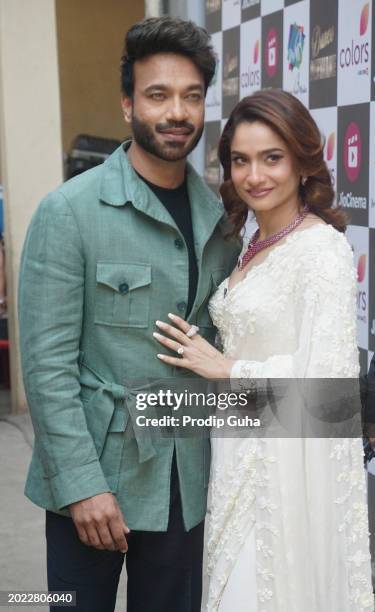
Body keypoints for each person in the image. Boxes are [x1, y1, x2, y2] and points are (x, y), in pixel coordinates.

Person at [18, 17, 240, 612]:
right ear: (127, 104)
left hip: (184, 482)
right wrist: (82, 486)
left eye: (192, 96)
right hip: (91, 487)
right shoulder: (69, 211)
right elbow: (46, 368)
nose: (177, 112)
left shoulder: (221, 221)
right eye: (158, 94)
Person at [153, 89, 374, 611]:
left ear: (302, 162)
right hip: (232, 462)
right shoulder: (250, 242)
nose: (255, 175)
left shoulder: (321, 251)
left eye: (272, 158)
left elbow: (328, 398)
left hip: (281, 485)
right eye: (241, 160)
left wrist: (230, 368)